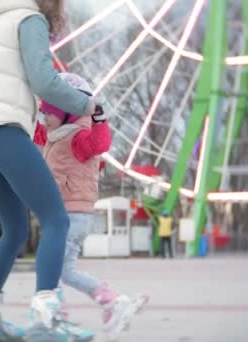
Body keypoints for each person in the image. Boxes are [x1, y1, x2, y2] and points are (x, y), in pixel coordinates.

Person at [0, 0, 97, 341]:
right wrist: (86, 105)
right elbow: (44, 80)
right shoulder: (29, 19)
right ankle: (45, 321)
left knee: (15, 230)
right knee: (56, 220)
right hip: (4, 131)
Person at [34, 72, 149, 341]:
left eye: (50, 112)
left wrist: (98, 118)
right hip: (64, 212)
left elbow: (100, 144)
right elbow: (34, 130)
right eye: (44, 112)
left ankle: (73, 312)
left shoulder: (79, 137)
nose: (45, 117)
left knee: (56, 268)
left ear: (67, 114)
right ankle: (110, 303)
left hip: (73, 213)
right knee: (61, 268)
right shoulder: (53, 133)